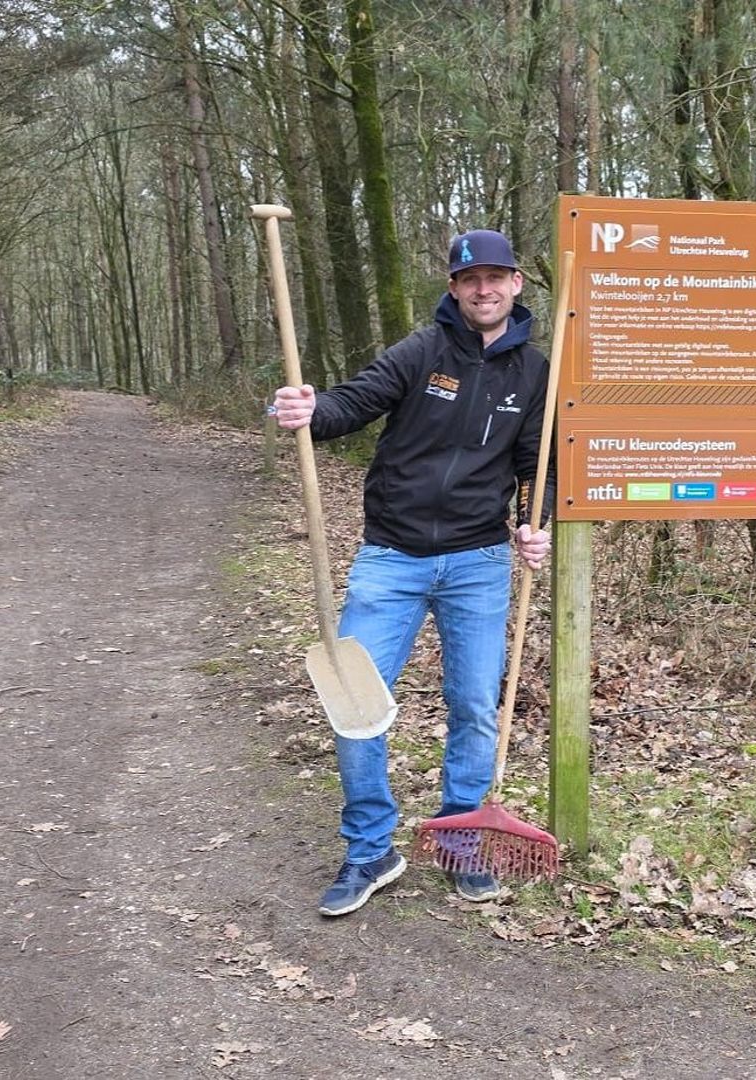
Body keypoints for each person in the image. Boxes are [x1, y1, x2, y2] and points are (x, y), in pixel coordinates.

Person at [272, 229, 553, 918]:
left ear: (517, 283)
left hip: (478, 563)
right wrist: (309, 410)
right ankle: (371, 847)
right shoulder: (421, 352)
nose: (482, 289)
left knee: (473, 706)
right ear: (454, 289)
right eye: (468, 279)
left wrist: (532, 520)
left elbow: (534, 467)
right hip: (391, 558)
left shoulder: (536, 371)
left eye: (495, 277)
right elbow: (351, 403)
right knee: (354, 704)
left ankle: (461, 839)